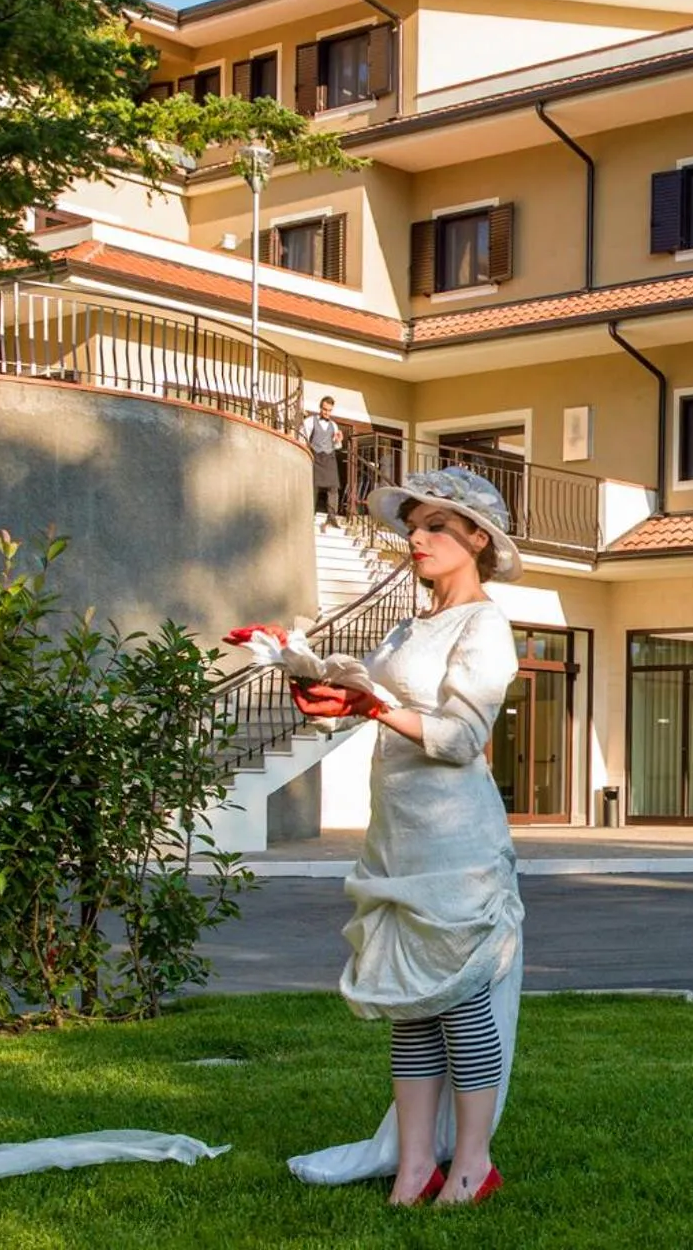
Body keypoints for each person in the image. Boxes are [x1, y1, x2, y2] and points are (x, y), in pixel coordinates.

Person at [283, 466, 523, 1208]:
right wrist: (331, 694)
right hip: (397, 833)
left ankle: (472, 1164)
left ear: (476, 540)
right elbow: (385, 705)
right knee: (408, 1001)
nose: (414, 539)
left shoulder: (486, 625)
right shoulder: (408, 623)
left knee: (458, 1000)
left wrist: (376, 706)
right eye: (412, 527)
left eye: (434, 528)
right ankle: (415, 1166)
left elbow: (458, 738)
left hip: (455, 839)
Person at [298, 396, 343, 516]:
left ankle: (332, 517)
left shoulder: (334, 425)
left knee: (333, 487)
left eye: (329, 410)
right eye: (324, 409)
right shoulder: (310, 421)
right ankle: (309, 514)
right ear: (320, 408)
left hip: (329, 458)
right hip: (316, 457)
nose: (327, 412)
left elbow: (337, 446)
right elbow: (302, 439)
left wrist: (338, 441)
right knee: (313, 486)